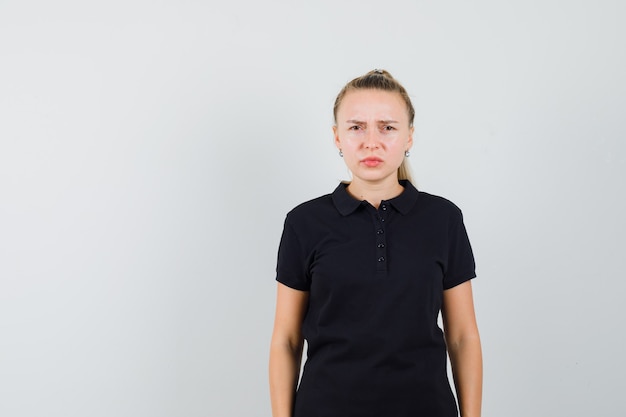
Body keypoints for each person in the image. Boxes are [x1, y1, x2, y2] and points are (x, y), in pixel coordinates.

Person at [269, 69, 482, 417]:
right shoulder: (304, 223)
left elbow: (462, 337)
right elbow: (286, 340)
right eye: (356, 127)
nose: (371, 141)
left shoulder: (443, 219)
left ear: (409, 137)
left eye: (387, 127)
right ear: (337, 137)